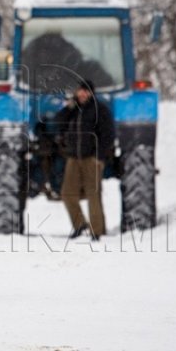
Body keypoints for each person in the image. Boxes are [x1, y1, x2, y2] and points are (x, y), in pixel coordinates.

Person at [55, 79, 115, 241]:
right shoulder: (73, 110)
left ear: (91, 93)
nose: (82, 94)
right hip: (74, 158)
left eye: (86, 91)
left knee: (93, 195)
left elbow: (108, 135)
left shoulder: (100, 110)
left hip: (91, 159)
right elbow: (59, 122)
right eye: (80, 91)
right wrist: (68, 108)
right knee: (67, 194)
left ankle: (97, 231)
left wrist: (99, 157)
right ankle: (80, 225)